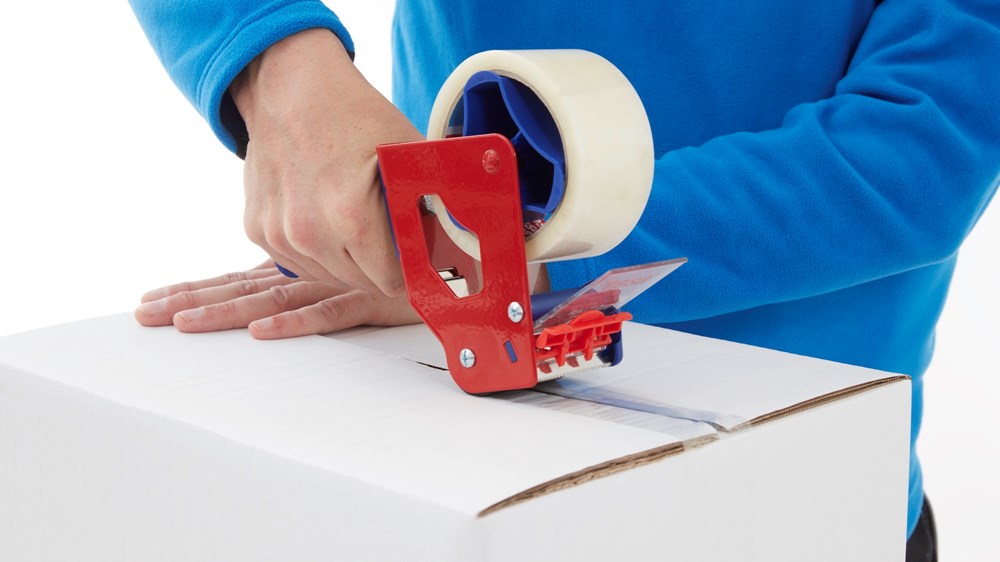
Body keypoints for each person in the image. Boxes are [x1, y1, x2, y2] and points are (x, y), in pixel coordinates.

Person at [128, 0, 1000, 558]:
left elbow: (924, 139)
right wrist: (280, 65)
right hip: (458, 451)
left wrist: (503, 249)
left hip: (802, 507)